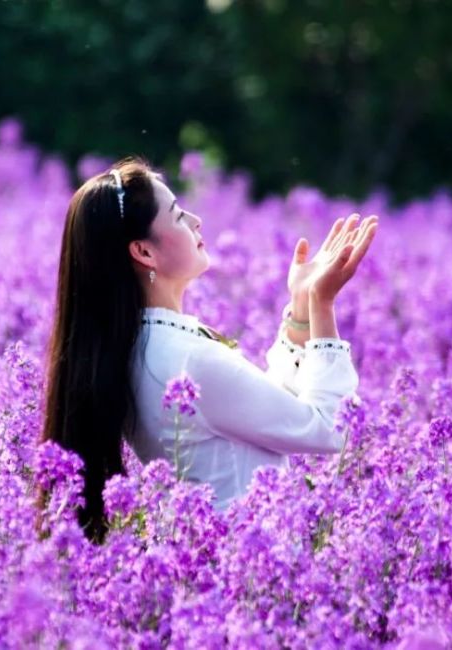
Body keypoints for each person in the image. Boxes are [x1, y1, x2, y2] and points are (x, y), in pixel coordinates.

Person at [42, 156, 378, 543]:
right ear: (144, 252)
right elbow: (329, 429)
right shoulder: (188, 359)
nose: (196, 220)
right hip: (251, 571)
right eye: (177, 214)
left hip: (209, 567)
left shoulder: (138, 350)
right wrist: (322, 304)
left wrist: (300, 312)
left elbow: (260, 412)